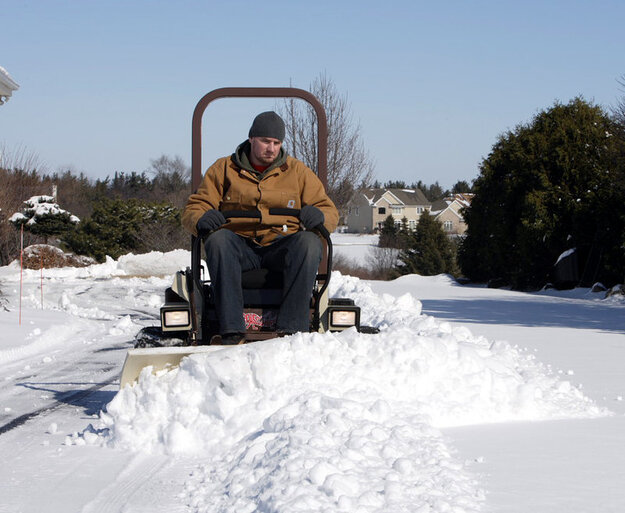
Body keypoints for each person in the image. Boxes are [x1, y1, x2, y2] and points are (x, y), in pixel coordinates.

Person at [182, 111, 339, 344]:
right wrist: (201, 218)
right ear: (252, 139)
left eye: (277, 143)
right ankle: (232, 331)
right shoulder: (224, 169)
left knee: (308, 242)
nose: (271, 148)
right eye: (266, 141)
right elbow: (195, 208)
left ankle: (292, 332)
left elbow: (329, 212)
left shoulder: (297, 172)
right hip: (239, 245)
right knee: (218, 240)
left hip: (281, 245)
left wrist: (319, 216)